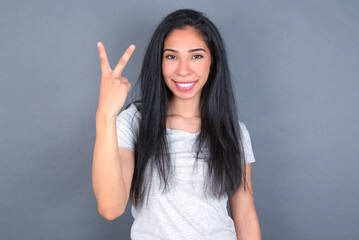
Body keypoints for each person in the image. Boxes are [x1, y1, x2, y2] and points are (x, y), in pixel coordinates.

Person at [92, 9, 261, 240]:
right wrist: (105, 115)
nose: (183, 70)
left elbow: (245, 217)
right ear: (159, 62)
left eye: (196, 56)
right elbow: (110, 208)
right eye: (171, 56)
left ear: (213, 62)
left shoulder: (233, 132)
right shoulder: (134, 123)